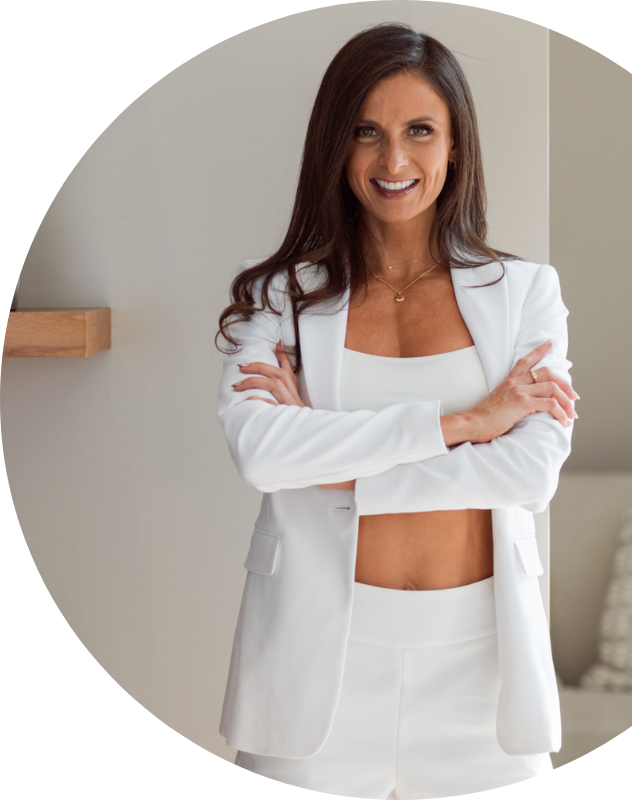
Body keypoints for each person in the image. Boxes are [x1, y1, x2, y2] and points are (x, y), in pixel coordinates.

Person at [215, 22, 577, 799]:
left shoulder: (525, 294)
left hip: (483, 665)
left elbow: (531, 471)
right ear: (334, 148)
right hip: (317, 662)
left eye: (420, 131)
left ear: (456, 148)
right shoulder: (278, 293)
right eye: (366, 133)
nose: (393, 161)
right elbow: (264, 453)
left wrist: (339, 468)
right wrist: (465, 423)